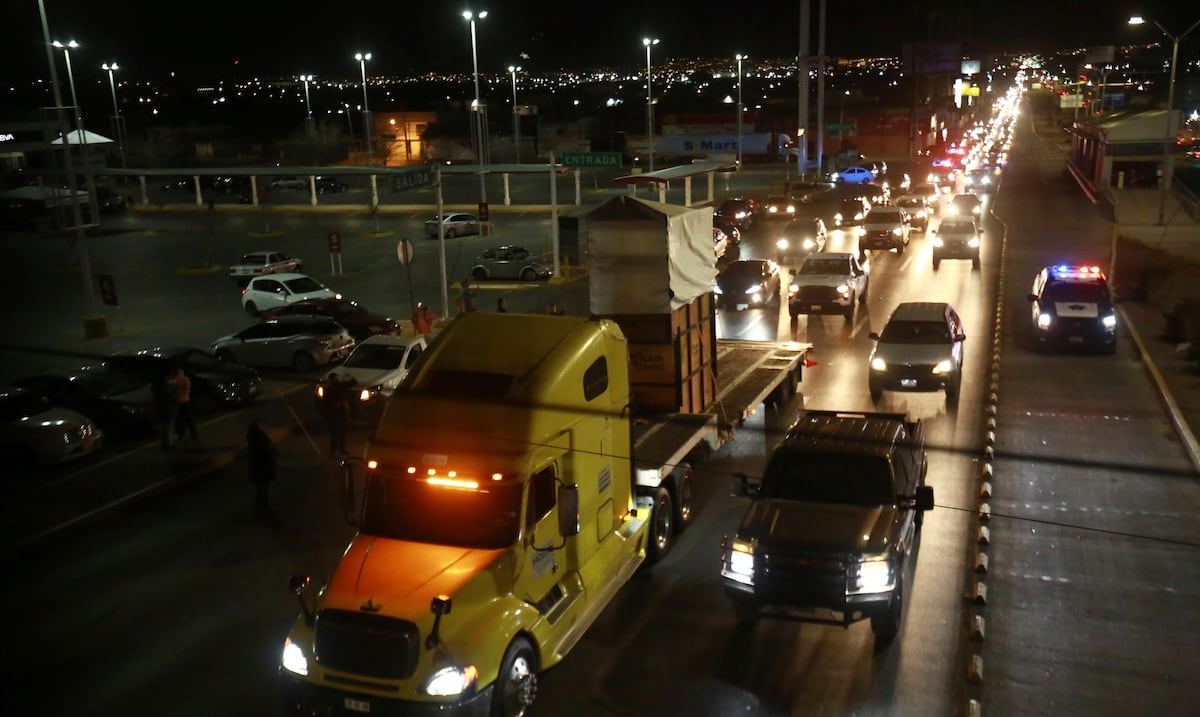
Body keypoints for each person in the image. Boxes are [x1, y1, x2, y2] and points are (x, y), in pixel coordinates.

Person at [246, 421, 277, 519]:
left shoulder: (257, 439)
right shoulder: (257, 440)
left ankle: (264, 507)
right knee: (262, 489)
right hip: (261, 468)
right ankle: (259, 510)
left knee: (265, 489)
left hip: (264, 467)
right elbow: (262, 453)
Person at [167, 366, 198, 446]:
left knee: (188, 419)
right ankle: (184, 435)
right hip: (180, 402)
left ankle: (193, 435)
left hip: (184, 401)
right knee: (181, 420)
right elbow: (170, 390)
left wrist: (176, 386)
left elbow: (186, 389)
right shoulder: (174, 380)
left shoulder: (183, 379)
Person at [323, 373, 353, 456]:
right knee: (335, 433)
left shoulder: (343, 386)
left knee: (343, 433)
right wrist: (333, 404)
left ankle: (342, 449)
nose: (336, 380)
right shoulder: (329, 390)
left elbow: (353, 382)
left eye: (337, 378)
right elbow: (324, 403)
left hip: (343, 412)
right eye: (334, 379)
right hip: (334, 414)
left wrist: (348, 377)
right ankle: (334, 451)